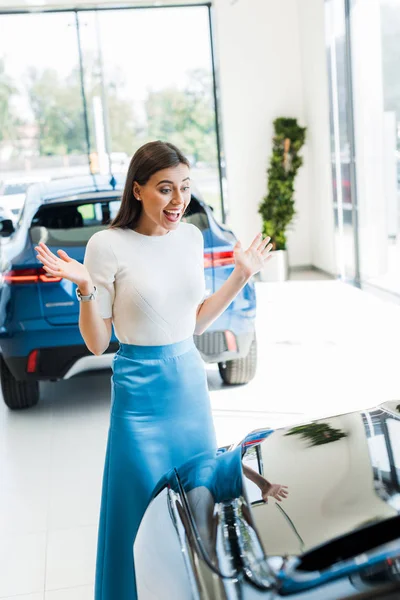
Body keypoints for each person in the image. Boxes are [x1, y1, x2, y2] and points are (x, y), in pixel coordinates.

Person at [34, 141, 273, 600]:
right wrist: (86, 286)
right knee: (138, 513)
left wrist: (240, 275)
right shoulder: (107, 245)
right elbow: (98, 341)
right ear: (138, 189)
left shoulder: (192, 238)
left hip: (188, 386)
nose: (178, 200)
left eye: (184, 188)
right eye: (165, 189)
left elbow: (195, 320)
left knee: (199, 505)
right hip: (139, 398)